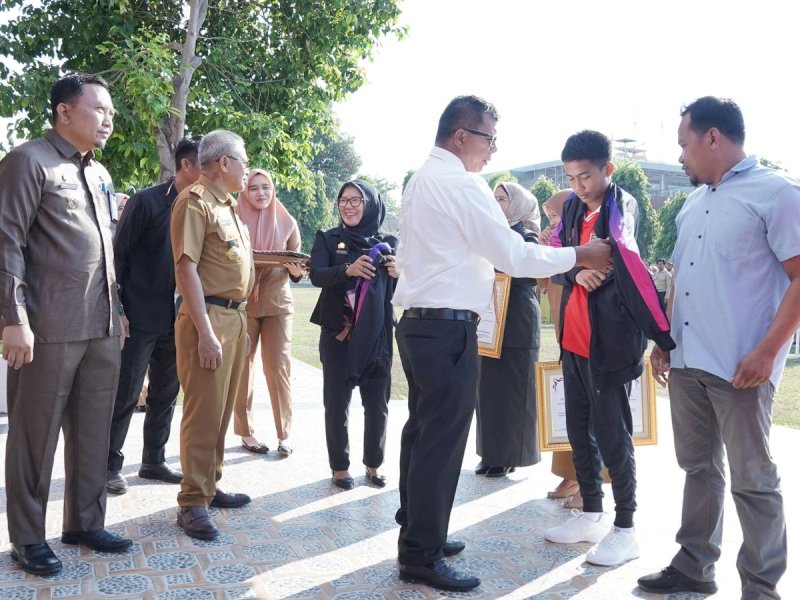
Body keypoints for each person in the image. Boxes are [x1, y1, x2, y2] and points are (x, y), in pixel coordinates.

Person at [392, 95, 613, 592]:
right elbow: (513, 255)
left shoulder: (421, 180)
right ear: (461, 136)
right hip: (446, 327)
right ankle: (421, 554)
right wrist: (580, 253)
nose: (493, 150)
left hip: (420, 324)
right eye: (489, 139)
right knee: (440, 442)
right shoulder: (460, 184)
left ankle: (421, 529)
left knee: (422, 434)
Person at [639, 97, 800, 599]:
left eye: (683, 144)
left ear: (713, 137)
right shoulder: (692, 204)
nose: (680, 156)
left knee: (753, 480)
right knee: (698, 469)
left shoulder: (778, 194)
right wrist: (666, 342)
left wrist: (767, 352)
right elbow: (682, 280)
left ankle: (760, 587)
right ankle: (694, 566)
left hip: (741, 367)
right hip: (688, 362)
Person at [0, 73, 133, 577]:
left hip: (102, 325)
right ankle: (28, 538)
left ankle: (84, 523)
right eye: (100, 110)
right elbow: (6, 242)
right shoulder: (28, 161)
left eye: (111, 113)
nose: (108, 121)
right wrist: (13, 318)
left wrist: (118, 311)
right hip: (48, 328)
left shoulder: (100, 174)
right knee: (34, 438)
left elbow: (107, 250)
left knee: (94, 432)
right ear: (65, 112)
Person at [543, 130, 674, 567]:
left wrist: (662, 337)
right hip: (573, 342)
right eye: (570, 178)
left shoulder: (621, 207)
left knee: (615, 437)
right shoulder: (572, 208)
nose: (578, 186)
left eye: (584, 176)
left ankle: (626, 529)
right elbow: (556, 256)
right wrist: (576, 271)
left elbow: (628, 262)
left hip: (611, 345)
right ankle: (591, 514)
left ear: (607, 169)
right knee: (578, 430)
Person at [170, 129, 255, 541]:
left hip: (233, 318)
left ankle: (209, 484)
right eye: (244, 161)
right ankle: (191, 501)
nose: (248, 170)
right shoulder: (195, 201)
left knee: (221, 411)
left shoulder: (228, 205)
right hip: (208, 318)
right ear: (224, 163)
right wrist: (205, 332)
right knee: (203, 412)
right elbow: (185, 267)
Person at [105, 136, 202, 495]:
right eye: (206, 164)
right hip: (138, 313)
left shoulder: (202, 208)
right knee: (126, 392)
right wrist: (118, 309)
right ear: (186, 164)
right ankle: (108, 465)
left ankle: (153, 460)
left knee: (166, 392)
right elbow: (117, 257)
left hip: (179, 318)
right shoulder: (146, 202)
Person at [309, 179, 398, 490]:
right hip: (339, 334)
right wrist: (347, 269)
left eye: (355, 200)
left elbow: (405, 289)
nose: (348, 206)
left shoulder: (390, 243)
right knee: (336, 404)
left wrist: (400, 273)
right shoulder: (328, 238)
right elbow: (316, 275)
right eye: (343, 200)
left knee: (377, 404)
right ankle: (340, 468)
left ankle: (374, 465)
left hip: (377, 336)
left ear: (370, 204)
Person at [233, 169, 303, 456]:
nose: (261, 193)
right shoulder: (233, 218)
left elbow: (298, 267)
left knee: (278, 368)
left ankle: (284, 435)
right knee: (241, 368)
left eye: (266, 187)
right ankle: (246, 432)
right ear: (244, 191)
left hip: (278, 303)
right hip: (242, 303)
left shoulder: (287, 222)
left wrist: (296, 269)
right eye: (253, 188)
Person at [474, 182, 542, 478]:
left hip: (517, 320)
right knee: (487, 389)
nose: (496, 203)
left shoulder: (528, 237)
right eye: (494, 198)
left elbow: (525, 270)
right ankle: (489, 453)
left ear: (517, 204)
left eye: (502, 199)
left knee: (514, 390)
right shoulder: (489, 234)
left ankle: (510, 455)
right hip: (490, 319)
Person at [539, 190, 584, 508]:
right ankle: (570, 475)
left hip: (586, 336)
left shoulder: (585, 241)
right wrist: (545, 252)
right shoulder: (558, 245)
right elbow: (544, 284)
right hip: (564, 335)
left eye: (555, 215)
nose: (551, 222)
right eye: (548, 217)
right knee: (569, 409)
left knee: (590, 415)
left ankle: (589, 484)